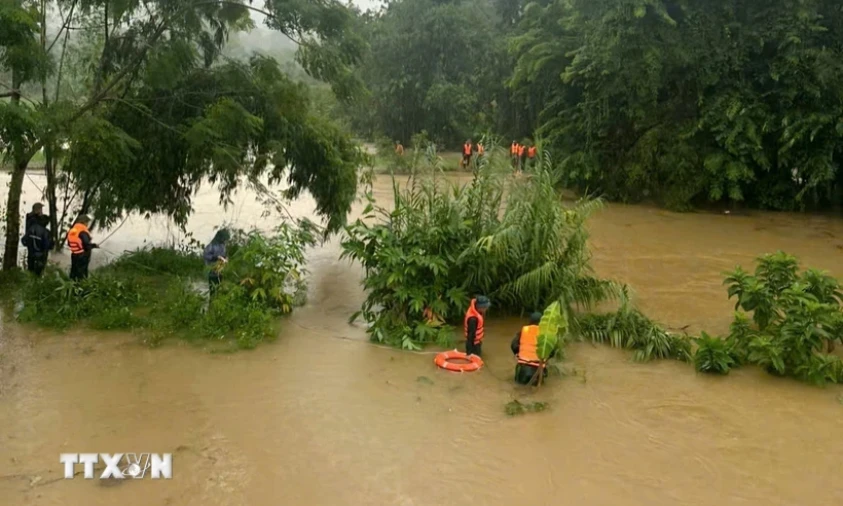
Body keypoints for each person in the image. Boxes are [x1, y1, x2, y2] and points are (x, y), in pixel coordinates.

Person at [22, 210, 54, 276]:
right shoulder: (46, 232)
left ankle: (29, 284)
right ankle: (37, 284)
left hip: (31, 254)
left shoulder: (31, 228)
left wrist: (29, 245)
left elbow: (23, 241)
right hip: (41, 257)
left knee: (30, 272)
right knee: (38, 274)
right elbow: (49, 245)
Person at [67, 215, 98, 281]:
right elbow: (86, 245)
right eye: (87, 222)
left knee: (74, 271)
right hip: (82, 255)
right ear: (84, 222)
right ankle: (82, 287)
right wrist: (94, 246)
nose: (87, 224)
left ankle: (72, 285)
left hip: (74, 254)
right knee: (82, 273)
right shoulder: (83, 231)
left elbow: (69, 244)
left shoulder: (72, 230)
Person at [203, 229, 230, 295]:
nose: (224, 240)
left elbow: (224, 254)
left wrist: (226, 259)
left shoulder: (223, 245)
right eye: (223, 238)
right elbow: (206, 255)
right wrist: (217, 257)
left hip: (221, 271)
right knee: (213, 291)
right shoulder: (211, 246)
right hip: (212, 272)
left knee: (220, 291)